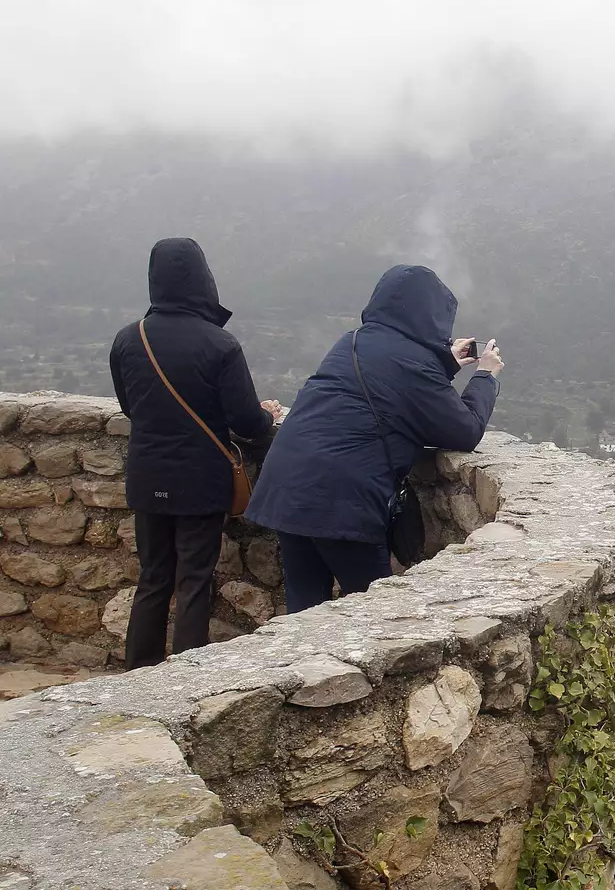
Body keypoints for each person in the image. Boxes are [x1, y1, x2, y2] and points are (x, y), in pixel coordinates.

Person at [245, 265, 503, 613]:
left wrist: (444, 363)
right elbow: (465, 429)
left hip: (287, 484)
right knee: (376, 614)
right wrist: (485, 375)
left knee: (303, 612)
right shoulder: (415, 365)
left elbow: (389, 381)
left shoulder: (351, 341)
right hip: (340, 498)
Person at [109, 238, 282, 670]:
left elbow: (130, 407)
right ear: (203, 280)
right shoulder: (220, 344)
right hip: (199, 482)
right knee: (193, 581)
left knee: (153, 578)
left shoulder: (129, 339)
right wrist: (268, 417)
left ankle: (138, 672)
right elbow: (246, 421)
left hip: (148, 477)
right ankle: (184, 681)